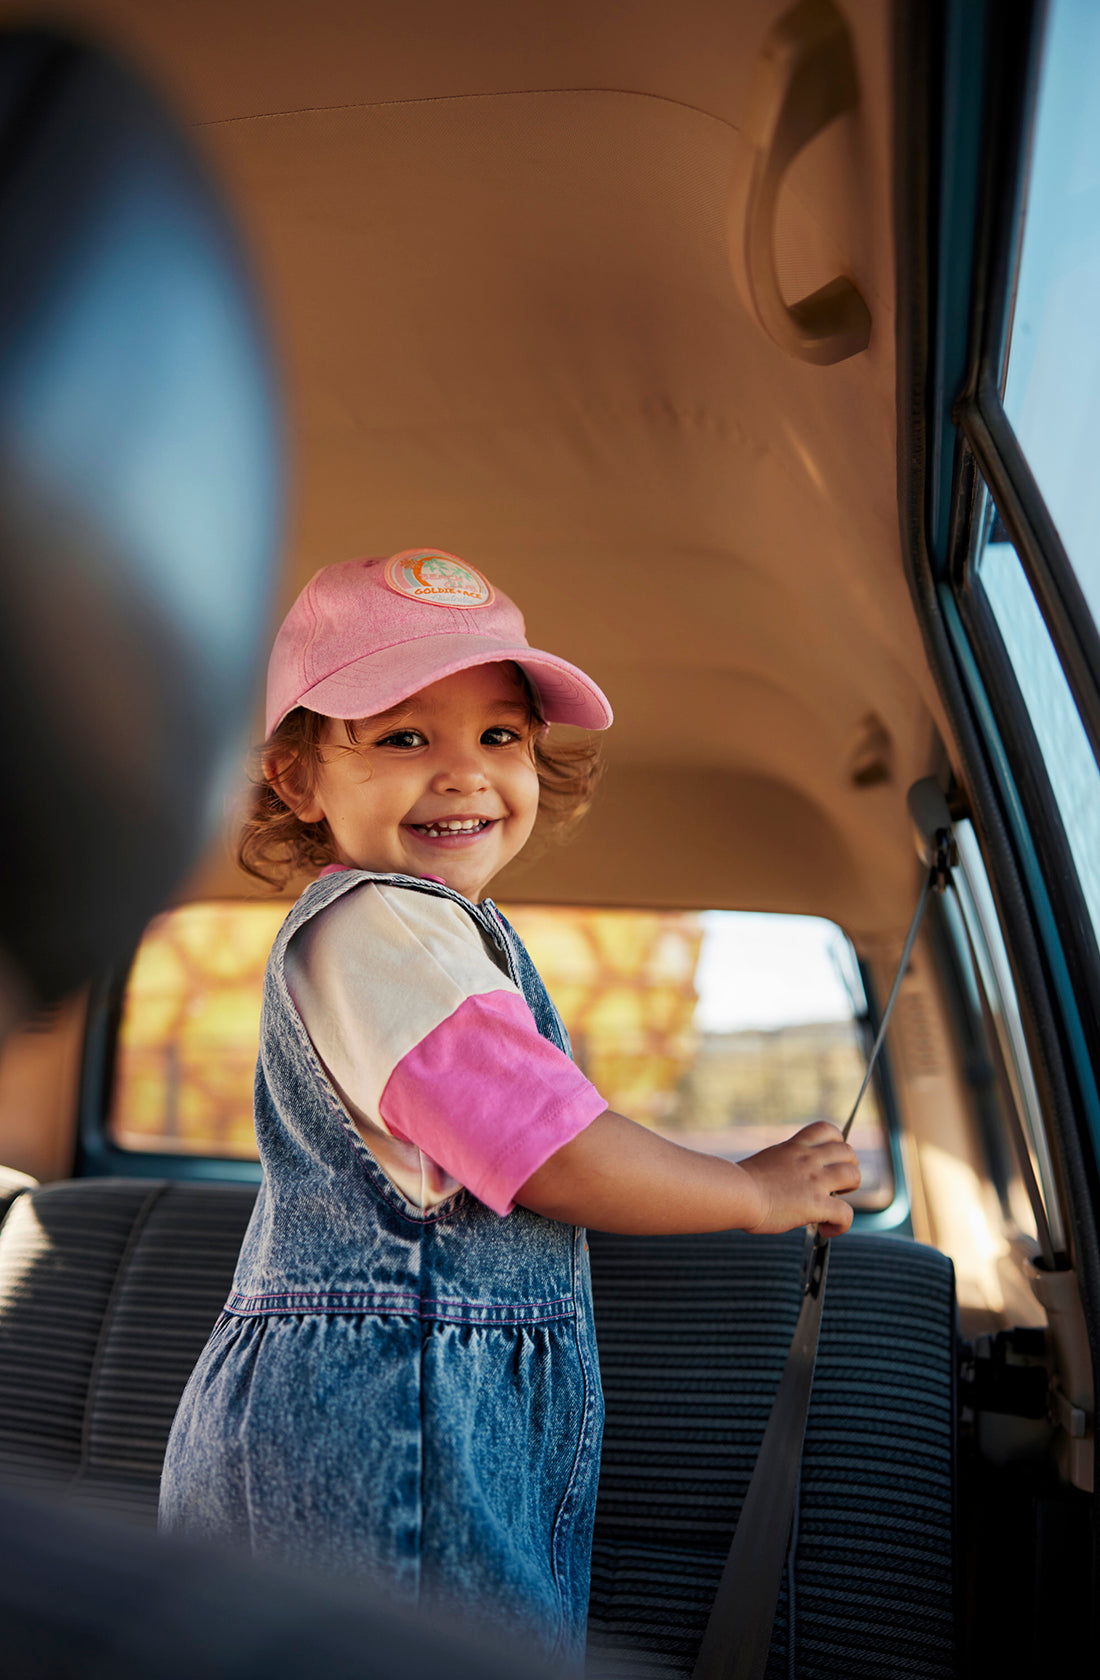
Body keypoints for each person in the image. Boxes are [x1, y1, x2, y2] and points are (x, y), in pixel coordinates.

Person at [158, 548, 861, 1666]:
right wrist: (747, 1189)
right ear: (297, 778)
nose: (464, 774)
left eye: (501, 736)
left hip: (394, 1407)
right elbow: (549, 1150)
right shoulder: (384, 928)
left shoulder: (424, 941)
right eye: (401, 738)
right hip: (389, 1416)